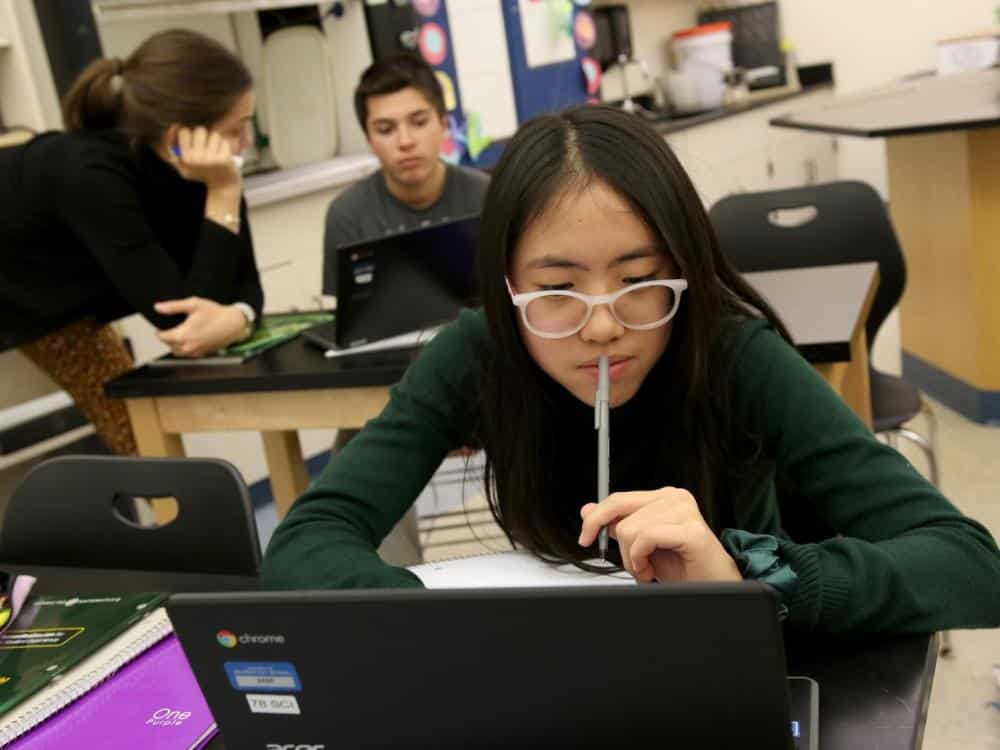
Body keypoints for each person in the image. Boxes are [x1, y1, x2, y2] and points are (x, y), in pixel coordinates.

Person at [263, 105, 1000, 634]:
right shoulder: (480, 350)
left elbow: (968, 565)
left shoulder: (731, 354)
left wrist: (749, 580)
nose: (605, 325)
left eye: (640, 279)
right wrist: (445, 629)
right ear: (508, 287)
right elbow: (308, 538)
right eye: (555, 290)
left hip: (735, 665)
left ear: (683, 268)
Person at [0, 29, 264, 456]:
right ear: (182, 135)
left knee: (148, 440)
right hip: (23, 282)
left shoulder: (208, 172)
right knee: (143, 438)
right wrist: (223, 194)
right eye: (236, 129)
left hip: (63, 285)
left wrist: (239, 317)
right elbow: (183, 323)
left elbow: (246, 288)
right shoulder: (90, 175)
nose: (246, 143)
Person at [322, 52, 489, 296]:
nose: (405, 141)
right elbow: (343, 320)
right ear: (369, 140)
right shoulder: (347, 215)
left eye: (419, 122)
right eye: (386, 129)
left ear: (443, 125)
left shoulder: (488, 196)